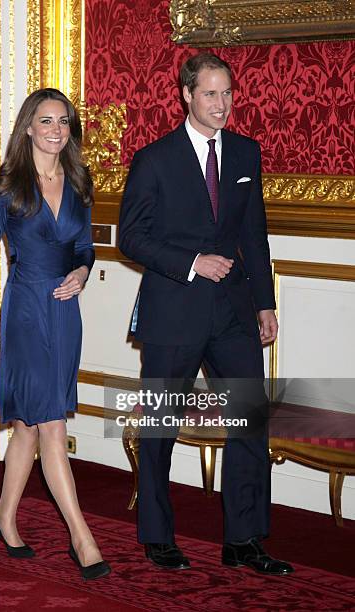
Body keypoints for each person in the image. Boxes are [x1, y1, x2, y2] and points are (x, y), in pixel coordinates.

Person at [119, 53, 294, 576]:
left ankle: (243, 539)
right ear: (187, 96)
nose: (223, 104)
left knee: (249, 423)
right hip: (173, 310)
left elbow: (253, 236)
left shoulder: (245, 153)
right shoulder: (154, 159)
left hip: (234, 313)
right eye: (211, 94)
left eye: (227, 93)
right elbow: (129, 237)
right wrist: (191, 263)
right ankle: (157, 536)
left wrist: (265, 302)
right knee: (161, 426)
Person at [0, 88, 110, 580]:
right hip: (26, 311)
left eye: (63, 122)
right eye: (46, 120)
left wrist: (80, 272)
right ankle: (82, 537)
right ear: (28, 127)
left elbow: (83, 245)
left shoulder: (77, 180)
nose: (56, 130)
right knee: (52, 422)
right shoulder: (7, 185)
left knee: (28, 426)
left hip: (65, 313)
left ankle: (3, 518)